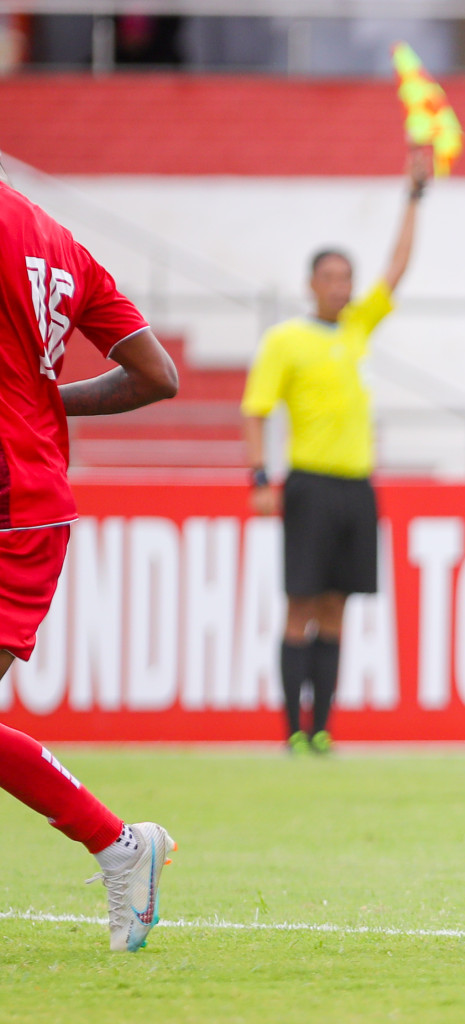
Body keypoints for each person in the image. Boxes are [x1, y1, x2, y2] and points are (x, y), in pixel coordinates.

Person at [0, 159, 180, 953]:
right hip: (34, 498)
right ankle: (119, 845)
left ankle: (120, 844)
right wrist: (43, 402)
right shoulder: (60, 243)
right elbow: (156, 376)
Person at [241, 147, 430, 756]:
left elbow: (397, 268)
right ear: (311, 284)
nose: (342, 288)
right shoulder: (285, 339)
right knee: (301, 606)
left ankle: (322, 727)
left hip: (356, 485)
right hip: (311, 484)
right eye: (331, 278)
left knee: (339, 608)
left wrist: (414, 197)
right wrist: (260, 478)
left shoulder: (355, 329)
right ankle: (290, 731)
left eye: (347, 279)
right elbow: (255, 410)